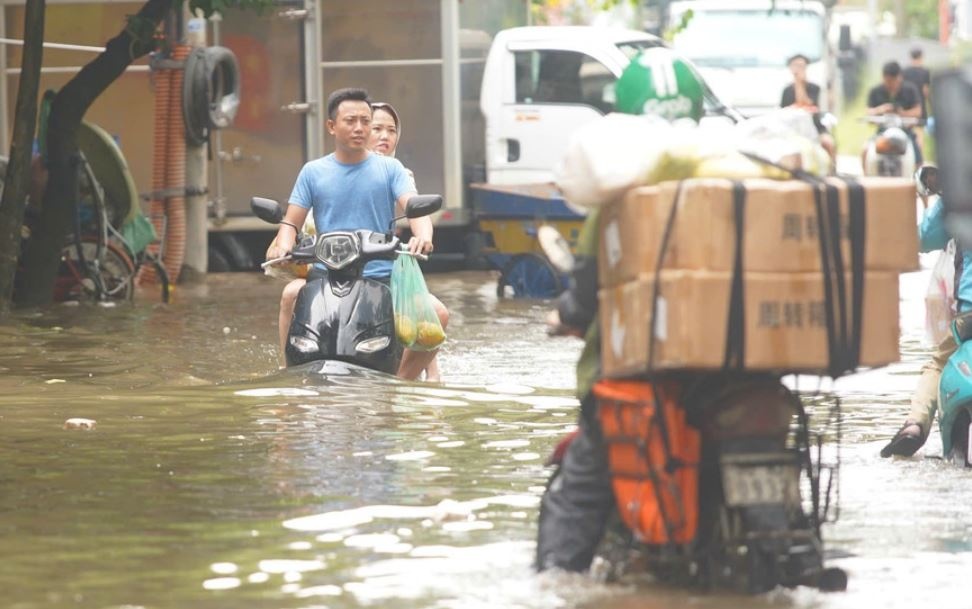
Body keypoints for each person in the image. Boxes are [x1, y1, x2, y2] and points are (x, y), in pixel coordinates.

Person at [535, 48, 707, 572]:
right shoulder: (733, 182)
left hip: (634, 376)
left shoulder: (617, 200)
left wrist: (566, 313)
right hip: (734, 373)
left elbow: (585, 295)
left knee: (575, 492)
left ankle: (554, 581)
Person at [267, 88, 448, 381]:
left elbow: (415, 210)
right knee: (290, 294)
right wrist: (283, 246)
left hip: (383, 275)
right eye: (351, 120)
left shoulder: (391, 169)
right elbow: (291, 222)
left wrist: (423, 235)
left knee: (438, 315)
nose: (360, 128)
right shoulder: (313, 172)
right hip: (327, 273)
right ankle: (291, 371)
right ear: (331, 126)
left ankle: (399, 382)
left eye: (365, 120)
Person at [882, 190, 971, 457]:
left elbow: (924, 236)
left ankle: (916, 424)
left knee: (938, 363)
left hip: (969, 310)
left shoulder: (962, 186)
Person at [780, 53, 836, 164]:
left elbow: (806, 103)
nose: (798, 69)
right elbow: (784, 111)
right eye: (795, 66)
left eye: (801, 66)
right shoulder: (786, 90)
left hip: (815, 127)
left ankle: (832, 170)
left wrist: (799, 83)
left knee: (828, 143)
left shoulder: (814, 88)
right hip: (793, 129)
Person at [866, 60, 923, 165]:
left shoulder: (910, 90)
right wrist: (881, 110)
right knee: (865, 152)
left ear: (899, 77)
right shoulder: (875, 91)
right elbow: (868, 112)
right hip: (882, 132)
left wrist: (902, 113)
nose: (890, 84)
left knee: (917, 157)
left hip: (905, 131)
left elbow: (918, 111)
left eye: (893, 81)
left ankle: (916, 178)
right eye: (887, 81)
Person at [902, 47, 931, 155]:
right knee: (919, 134)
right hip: (920, 105)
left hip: (907, 106)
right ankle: (918, 157)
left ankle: (907, 154)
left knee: (907, 131)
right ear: (921, 57)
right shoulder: (925, 71)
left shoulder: (904, 71)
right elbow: (925, 91)